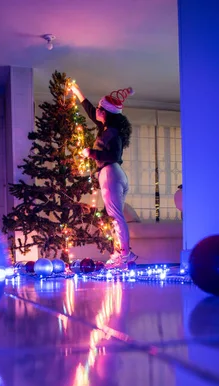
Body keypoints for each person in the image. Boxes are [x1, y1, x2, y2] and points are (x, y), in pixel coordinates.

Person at [70, 82, 137, 268]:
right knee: (115, 217)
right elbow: (92, 112)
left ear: (106, 113)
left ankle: (124, 254)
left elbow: (113, 155)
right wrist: (78, 93)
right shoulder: (108, 129)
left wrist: (91, 153)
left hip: (110, 173)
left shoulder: (112, 133)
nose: (97, 111)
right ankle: (121, 252)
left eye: (100, 108)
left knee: (116, 217)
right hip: (116, 175)